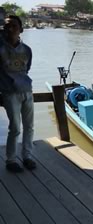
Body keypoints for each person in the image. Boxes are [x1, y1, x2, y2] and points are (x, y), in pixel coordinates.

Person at [0, 15, 33, 172]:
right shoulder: (0, 49)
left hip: (27, 91)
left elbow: (27, 69)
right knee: (15, 127)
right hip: (9, 93)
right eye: (7, 26)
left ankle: (27, 156)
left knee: (29, 126)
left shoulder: (27, 50)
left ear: (21, 29)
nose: (10, 29)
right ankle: (11, 160)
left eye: (14, 25)